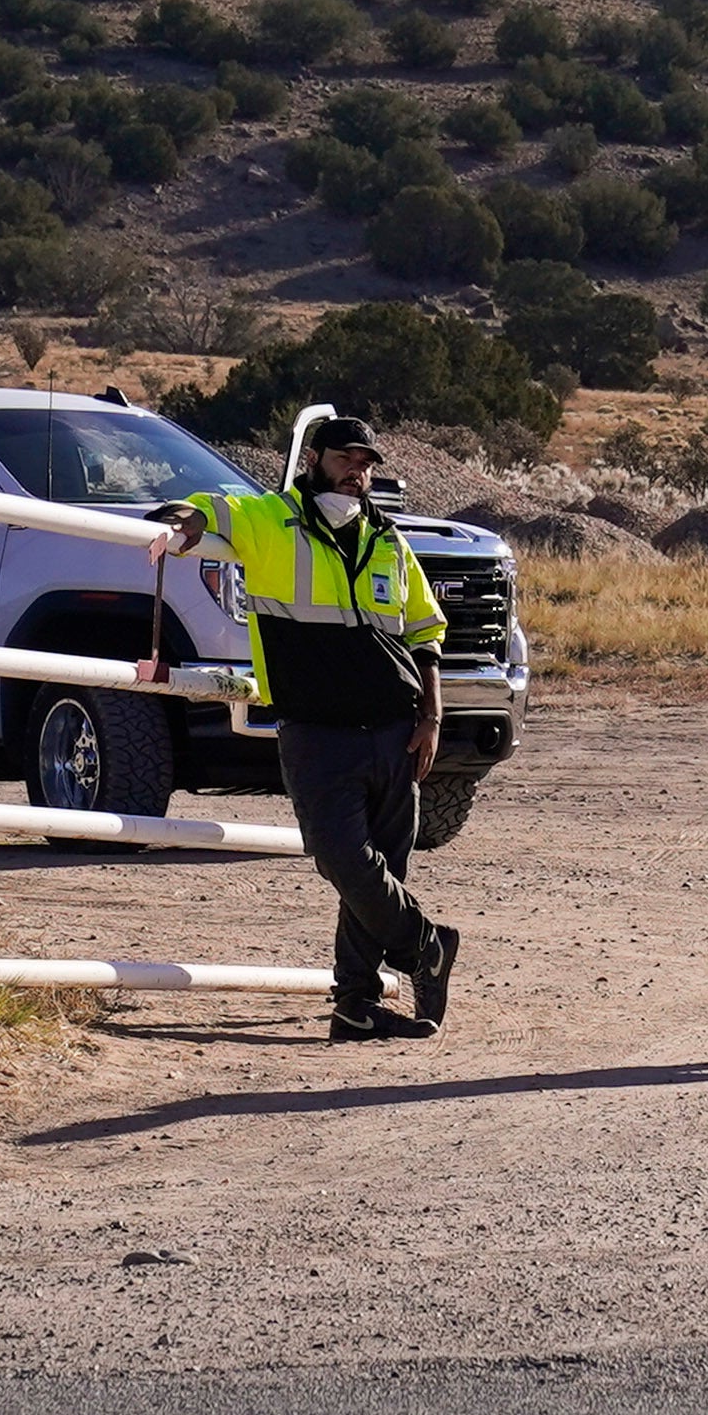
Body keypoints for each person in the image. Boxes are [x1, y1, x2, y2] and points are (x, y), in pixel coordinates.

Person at [158, 404, 458, 1044]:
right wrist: (180, 526)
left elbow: (428, 629)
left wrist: (431, 714)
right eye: (347, 458)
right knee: (341, 858)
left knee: (385, 868)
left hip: (395, 726)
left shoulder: (388, 540)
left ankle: (355, 1006)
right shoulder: (271, 519)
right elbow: (206, 509)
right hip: (314, 729)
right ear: (315, 460)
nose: (358, 472)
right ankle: (426, 945)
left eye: (368, 463)